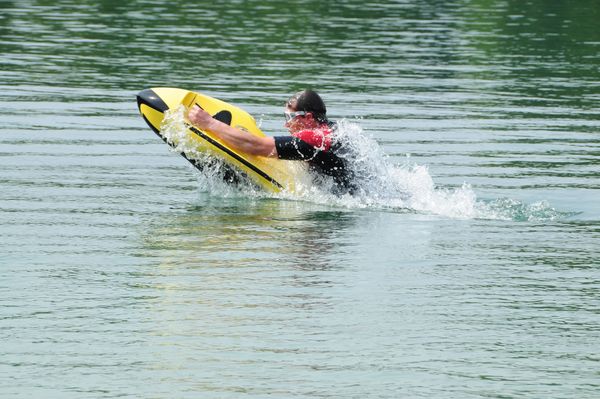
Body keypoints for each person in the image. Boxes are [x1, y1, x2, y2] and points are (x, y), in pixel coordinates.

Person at [188, 90, 355, 193]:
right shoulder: (333, 129)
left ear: (309, 117)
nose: (286, 124)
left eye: (290, 117)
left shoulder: (313, 139)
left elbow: (255, 146)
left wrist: (209, 123)